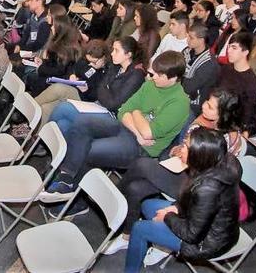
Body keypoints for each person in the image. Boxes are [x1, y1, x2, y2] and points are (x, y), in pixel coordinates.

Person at [38, 51, 190, 203]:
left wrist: (135, 114)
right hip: (128, 130)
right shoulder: (151, 84)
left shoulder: (179, 102)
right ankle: (66, 177)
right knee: (82, 121)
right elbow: (124, 110)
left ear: (174, 78)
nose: (153, 77)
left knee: (88, 149)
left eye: (159, 75)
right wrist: (137, 126)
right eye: (153, 73)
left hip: (140, 148)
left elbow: (148, 132)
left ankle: (76, 198)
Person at [106, 91, 243, 258]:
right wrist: (181, 149)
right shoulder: (206, 119)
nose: (203, 105)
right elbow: (191, 148)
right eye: (206, 101)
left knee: (141, 165)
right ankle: (127, 235)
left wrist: (189, 156)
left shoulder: (225, 139)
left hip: (195, 188)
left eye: (210, 106)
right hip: (187, 172)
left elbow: (209, 173)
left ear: (223, 114)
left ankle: (115, 202)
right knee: (135, 189)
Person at [121, 128, 241, 271]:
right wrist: (177, 207)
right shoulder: (215, 162)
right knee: (147, 205)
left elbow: (191, 236)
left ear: (198, 154)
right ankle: (160, 242)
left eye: (185, 146)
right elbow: (197, 206)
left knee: (139, 229)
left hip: (206, 242)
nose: (181, 149)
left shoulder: (207, 189)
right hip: (201, 221)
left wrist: (168, 216)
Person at [46, 37, 146, 133]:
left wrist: (104, 89)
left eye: (116, 50)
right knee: (63, 125)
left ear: (128, 54)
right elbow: (101, 87)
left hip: (111, 115)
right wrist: (105, 90)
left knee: (63, 107)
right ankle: (45, 142)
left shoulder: (136, 75)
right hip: (99, 105)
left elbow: (112, 104)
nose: (112, 54)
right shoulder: (116, 66)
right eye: (113, 50)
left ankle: (38, 138)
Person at [24, 15, 81, 96]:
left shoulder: (66, 49)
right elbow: (53, 63)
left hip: (53, 81)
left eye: (54, 26)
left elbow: (59, 70)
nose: (51, 28)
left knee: (29, 75)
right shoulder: (60, 43)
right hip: (49, 75)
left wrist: (41, 67)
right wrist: (43, 62)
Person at [217, 32, 256, 134]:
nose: (229, 51)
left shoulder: (252, 83)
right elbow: (215, 91)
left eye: (234, 48)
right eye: (228, 47)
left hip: (231, 126)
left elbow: (247, 115)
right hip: (217, 115)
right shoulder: (225, 69)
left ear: (245, 52)